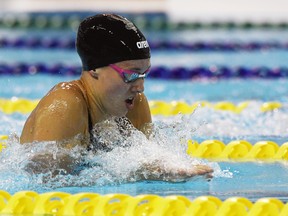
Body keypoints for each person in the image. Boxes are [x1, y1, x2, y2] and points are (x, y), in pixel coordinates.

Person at [20, 14, 213, 180]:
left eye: (145, 73)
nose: (140, 87)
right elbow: (44, 181)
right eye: (131, 75)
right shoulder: (65, 104)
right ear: (95, 69)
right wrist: (143, 172)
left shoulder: (134, 105)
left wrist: (169, 169)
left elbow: (147, 160)